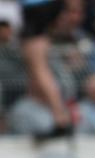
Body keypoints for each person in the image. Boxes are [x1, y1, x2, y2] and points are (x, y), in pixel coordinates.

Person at [19, 0, 72, 137]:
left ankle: (61, 118)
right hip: (40, 7)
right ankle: (55, 116)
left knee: (39, 68)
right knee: (35, 66)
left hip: (37, 6)